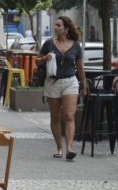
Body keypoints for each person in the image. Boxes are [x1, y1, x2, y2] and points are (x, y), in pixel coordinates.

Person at [36, 16, 87, 161]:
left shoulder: (76, 45)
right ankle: (59, 146)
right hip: (52, 83)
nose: (55, 27)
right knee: (55, 117)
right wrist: (45, 58)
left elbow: (80, 67)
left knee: (69, 116)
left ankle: (69, 148)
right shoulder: (49, 44)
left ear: (66, 28)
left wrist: (84, 84)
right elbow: (37, 61)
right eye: (55, 25)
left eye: (58, 25)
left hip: (70, 82)